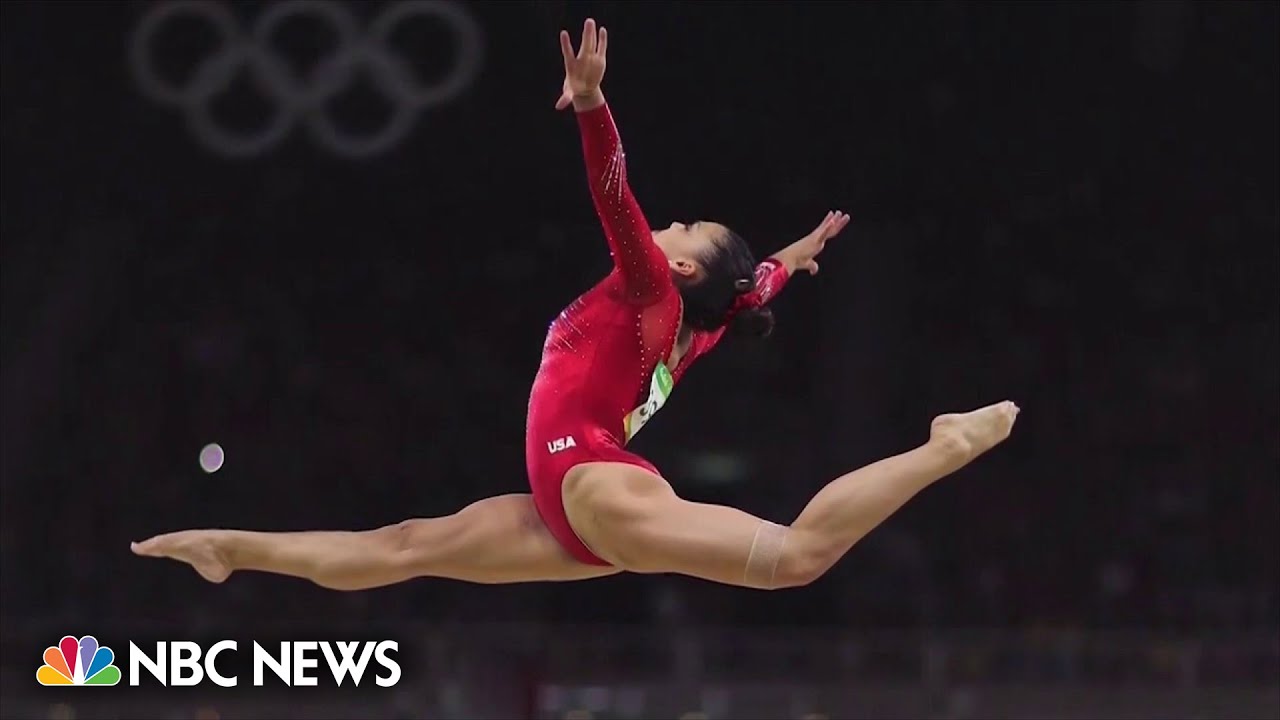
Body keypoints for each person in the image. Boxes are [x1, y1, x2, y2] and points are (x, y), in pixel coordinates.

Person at [132, 20, 1018, 591]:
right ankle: (229, 546)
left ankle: (944, 446)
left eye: (684, 226)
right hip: (567, 510)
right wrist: (783, 261)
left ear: (677, 264)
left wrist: (593, 106)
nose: (668, 221)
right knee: (403, 547)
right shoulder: (685, 331)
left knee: (794, 558)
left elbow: (613, 192)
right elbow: (748, 291)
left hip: (594, 490)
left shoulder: (650, 293)